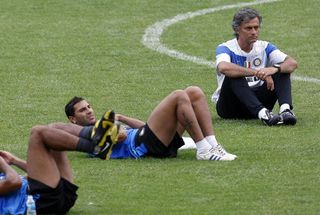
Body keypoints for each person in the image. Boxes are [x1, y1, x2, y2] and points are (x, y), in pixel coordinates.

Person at [65, 86, 237, 161]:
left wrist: (123, 118)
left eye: (89, 106)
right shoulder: (91, 134)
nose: (88, 110)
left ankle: (213, 146)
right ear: (73, 119)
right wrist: (112, 127)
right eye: (82, 110)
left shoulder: (102, 125)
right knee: (178, 95)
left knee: (194, 92)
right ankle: (204, 150)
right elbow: (123, 136)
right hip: (144, 147)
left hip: (149, 139)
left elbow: (144, 127)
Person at [0, 116, 117, 214]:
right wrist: (3, 164)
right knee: (38, 132)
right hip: (41, 202)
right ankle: (95, 148)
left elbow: (36, 175)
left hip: (54, 195)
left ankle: (94, 135)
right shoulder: (7, 176)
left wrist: (14, 160)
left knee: (53, 128)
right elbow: (14, 182)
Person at [211, 7, 298, 126]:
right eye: (248, 28)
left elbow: (292, 63)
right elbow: (223, 67)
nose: (254, 32)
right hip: (230, 107)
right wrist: (257, 72)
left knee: (282, 68)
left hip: (258, 101)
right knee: (234, 74)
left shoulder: (265, 47)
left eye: (256, 28)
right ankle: (264, 114)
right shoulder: (226, 48)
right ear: (237, 29)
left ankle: (286, 111)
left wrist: (273, 69)